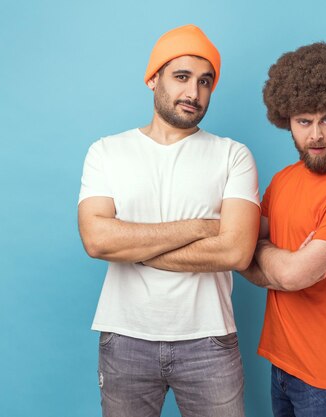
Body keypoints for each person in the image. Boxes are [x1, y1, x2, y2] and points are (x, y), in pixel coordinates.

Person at [77, 24, 260, 417]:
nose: (193, 93)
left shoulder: (233, 155)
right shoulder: (107, 151)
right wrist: (202, 226)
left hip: (209, 340)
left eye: (205, 82)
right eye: (181, 77)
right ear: (153, 78)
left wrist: (135, 248)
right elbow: (96, 239)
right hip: (125, 337)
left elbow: (236, 250)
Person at [239, 42, 326, 417]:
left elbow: (291, 274)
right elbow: (240, 252)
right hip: (282, 365)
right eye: (304, 121)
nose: (316, 134)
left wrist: (272, 259)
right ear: (286, 120)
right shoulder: (284, 180)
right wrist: (280, 261)